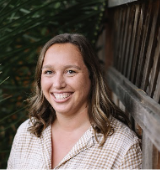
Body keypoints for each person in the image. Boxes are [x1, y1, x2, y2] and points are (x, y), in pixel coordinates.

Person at [7, 33, 142, 169]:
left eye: (70, 71)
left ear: (92, 76)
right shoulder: (26, 133)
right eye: (49, 72)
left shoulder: (123, 147)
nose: (58, 83)